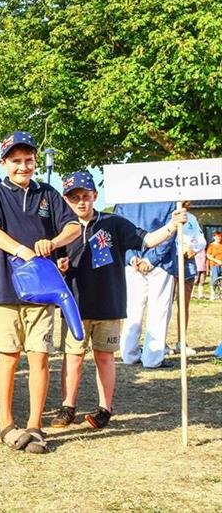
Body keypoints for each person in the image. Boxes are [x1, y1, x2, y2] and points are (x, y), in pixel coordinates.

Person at [52, 172, 187, 430]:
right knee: (73, 357)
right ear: (65, 200)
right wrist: (59, 265)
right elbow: (52, 262)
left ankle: (105, 408)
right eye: (74, 197)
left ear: (95, 196)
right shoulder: (60, 229)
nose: (81, 202)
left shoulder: (113, 222)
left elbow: (146, 240)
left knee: (104, 357)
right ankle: (67, 407)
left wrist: (172, 225)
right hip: (74, 305)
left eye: (85, 196)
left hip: (109, 303)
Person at [0, 131, 81, 454]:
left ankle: (35, 426)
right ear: (4, 162)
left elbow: (74, 226)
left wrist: (53, 242)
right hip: (6, 289)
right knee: (8, 357)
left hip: (43, 292)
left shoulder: (48, 193)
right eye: (16, 161)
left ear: (35, 161)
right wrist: (22, 250)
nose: (23, 166)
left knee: (40, 357)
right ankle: (7, 425)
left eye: (28, 160)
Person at [115, 201, 178, 368]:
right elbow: (171, 232)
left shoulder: (124, 199)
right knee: (159, 310)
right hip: (161, 263)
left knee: (132, 309)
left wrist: (131, 258)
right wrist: (152, 259)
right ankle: (153, 358)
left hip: (133, 262)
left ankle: (128, 354)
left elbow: (118, 231)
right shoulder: (169, 197)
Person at [170, 204, 205, 357]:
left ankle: (181, 341)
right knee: (164, 304)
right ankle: (160, 342)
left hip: (187, 261)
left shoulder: (192, 218)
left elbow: (201, 240)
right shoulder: (167, 214)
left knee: (183, 304)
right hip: (170, 259)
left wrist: (194, 249)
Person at [207, 231, 222, 300]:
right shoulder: (211, 245)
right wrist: (216, 260)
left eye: (220, 236)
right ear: (214, 237)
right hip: (214, 265)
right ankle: (213, 294)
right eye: (217, 236)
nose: (219, 238)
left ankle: (220, 294)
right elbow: (208, 256)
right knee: (214, 279)